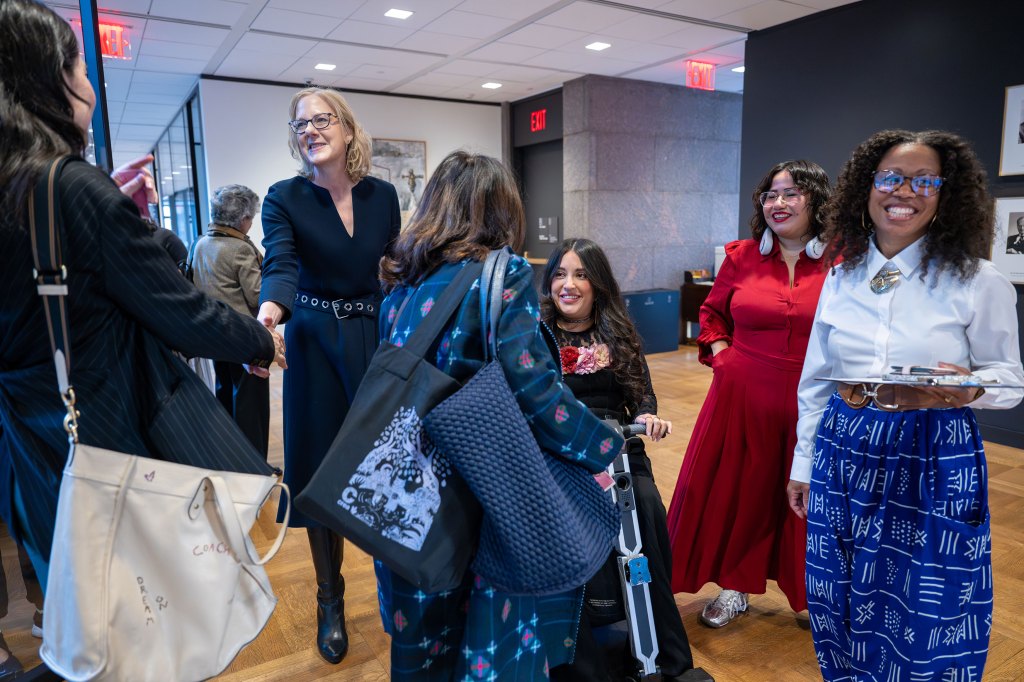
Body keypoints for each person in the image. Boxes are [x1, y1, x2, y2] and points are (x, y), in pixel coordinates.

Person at [0, 0, 285, 597]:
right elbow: (182, 313)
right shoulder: (70, 187)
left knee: (81, 596)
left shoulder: (19, 186)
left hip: (33, 436)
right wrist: (261, 340)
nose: (88, 86)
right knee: (145, 602)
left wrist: (121, 217)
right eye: (80, 68)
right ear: (54, 81)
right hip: (108, 433)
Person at [374, 151, 623, 680]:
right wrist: (601, 442)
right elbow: (533, 385)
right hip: (483, 485)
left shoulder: (400, 276)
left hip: (408, 484)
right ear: (500, 210)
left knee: (421, 641)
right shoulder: (500, 272)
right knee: (486, 642)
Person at [787, 130, 1024, 680]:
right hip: (843, 446)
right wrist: (803, 464)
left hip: (932, 450)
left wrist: (966, 387)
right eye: (891, 177)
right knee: (839, 592)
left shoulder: (977, 280)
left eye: (925, 181)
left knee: (926, 603)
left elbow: (1011, 381)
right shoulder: (842, 278)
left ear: (946, 194)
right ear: (867, 188)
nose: (906, 191)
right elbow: (816, 380)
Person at [256, 86, 401, 665]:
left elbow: (395, 267)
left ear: (346, 128)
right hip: (314, 342)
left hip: (373, 339)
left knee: (386, 465)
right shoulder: (284, 197)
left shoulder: (383, 195)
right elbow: (281, 264)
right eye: (300, 125)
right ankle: (330, 597)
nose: (310, 130)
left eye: (321, 120)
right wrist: (268, 317)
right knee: (319, 470)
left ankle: (399, 585)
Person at [666, 160, 832, 627]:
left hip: (814, 400)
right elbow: (712, 314)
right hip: (742, 396)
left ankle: (810, 592)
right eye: (771, 195)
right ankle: (733, 587)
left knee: (808, 495)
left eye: (792, 193)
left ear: (817, 199)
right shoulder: (741, 257)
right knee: (740, 493)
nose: (778, 203)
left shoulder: (842, 260)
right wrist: (724, 358)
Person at [540, 238, 712, 682]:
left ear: (598, 284)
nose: (569, 284)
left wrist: (650, 416)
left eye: (580, 275)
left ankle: (667, 659)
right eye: (560, 274)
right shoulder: (535, 335)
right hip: (561, 457)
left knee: (648, 511)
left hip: (618, 451)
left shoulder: (618, 334)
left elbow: (642, 396)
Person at [192, 185, 270, 457]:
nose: (252, 223)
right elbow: (258, 295)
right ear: (242, 218)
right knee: (251, 405)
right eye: (251, 217)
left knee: (224, 393)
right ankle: (253, 462)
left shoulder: (201, 243)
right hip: (244, 338)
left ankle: (226, 455)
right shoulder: (240, 249)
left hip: (214, 334)